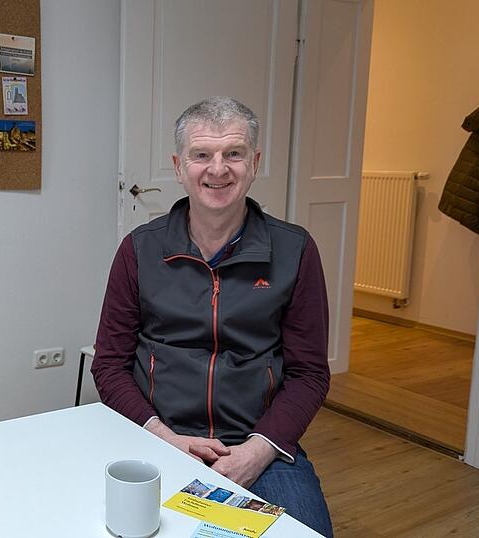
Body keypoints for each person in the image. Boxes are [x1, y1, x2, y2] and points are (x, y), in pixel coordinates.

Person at [92, 96, 333, 536]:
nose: (218, 169)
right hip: (155, 435)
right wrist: (164, 437)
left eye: (233, 154)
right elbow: (109, 365)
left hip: (259, 443)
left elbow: (310, 374)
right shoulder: (140, 249)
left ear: (254, 162)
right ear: (178, 165)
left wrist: (256, 452)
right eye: (201, 155)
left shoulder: (295, 250)